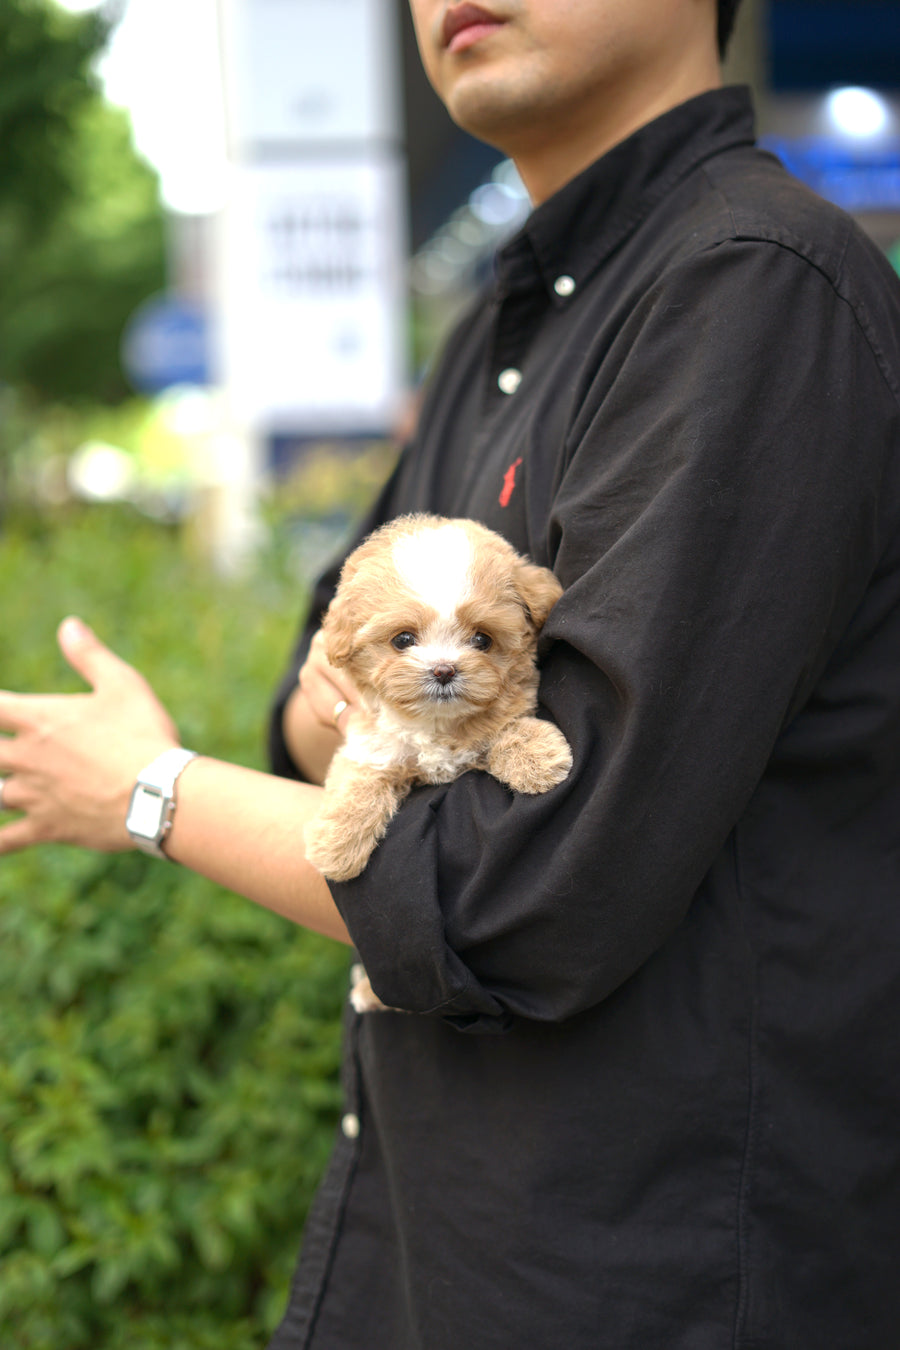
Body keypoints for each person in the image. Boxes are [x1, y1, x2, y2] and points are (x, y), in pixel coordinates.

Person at [2, 0, 900, 1344]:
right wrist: (418, 729)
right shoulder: (508, 324)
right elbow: (321, 697)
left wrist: (151, 790)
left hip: (664, 1278)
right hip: (452, 1250)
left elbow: (517, 883)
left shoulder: (754, 286)